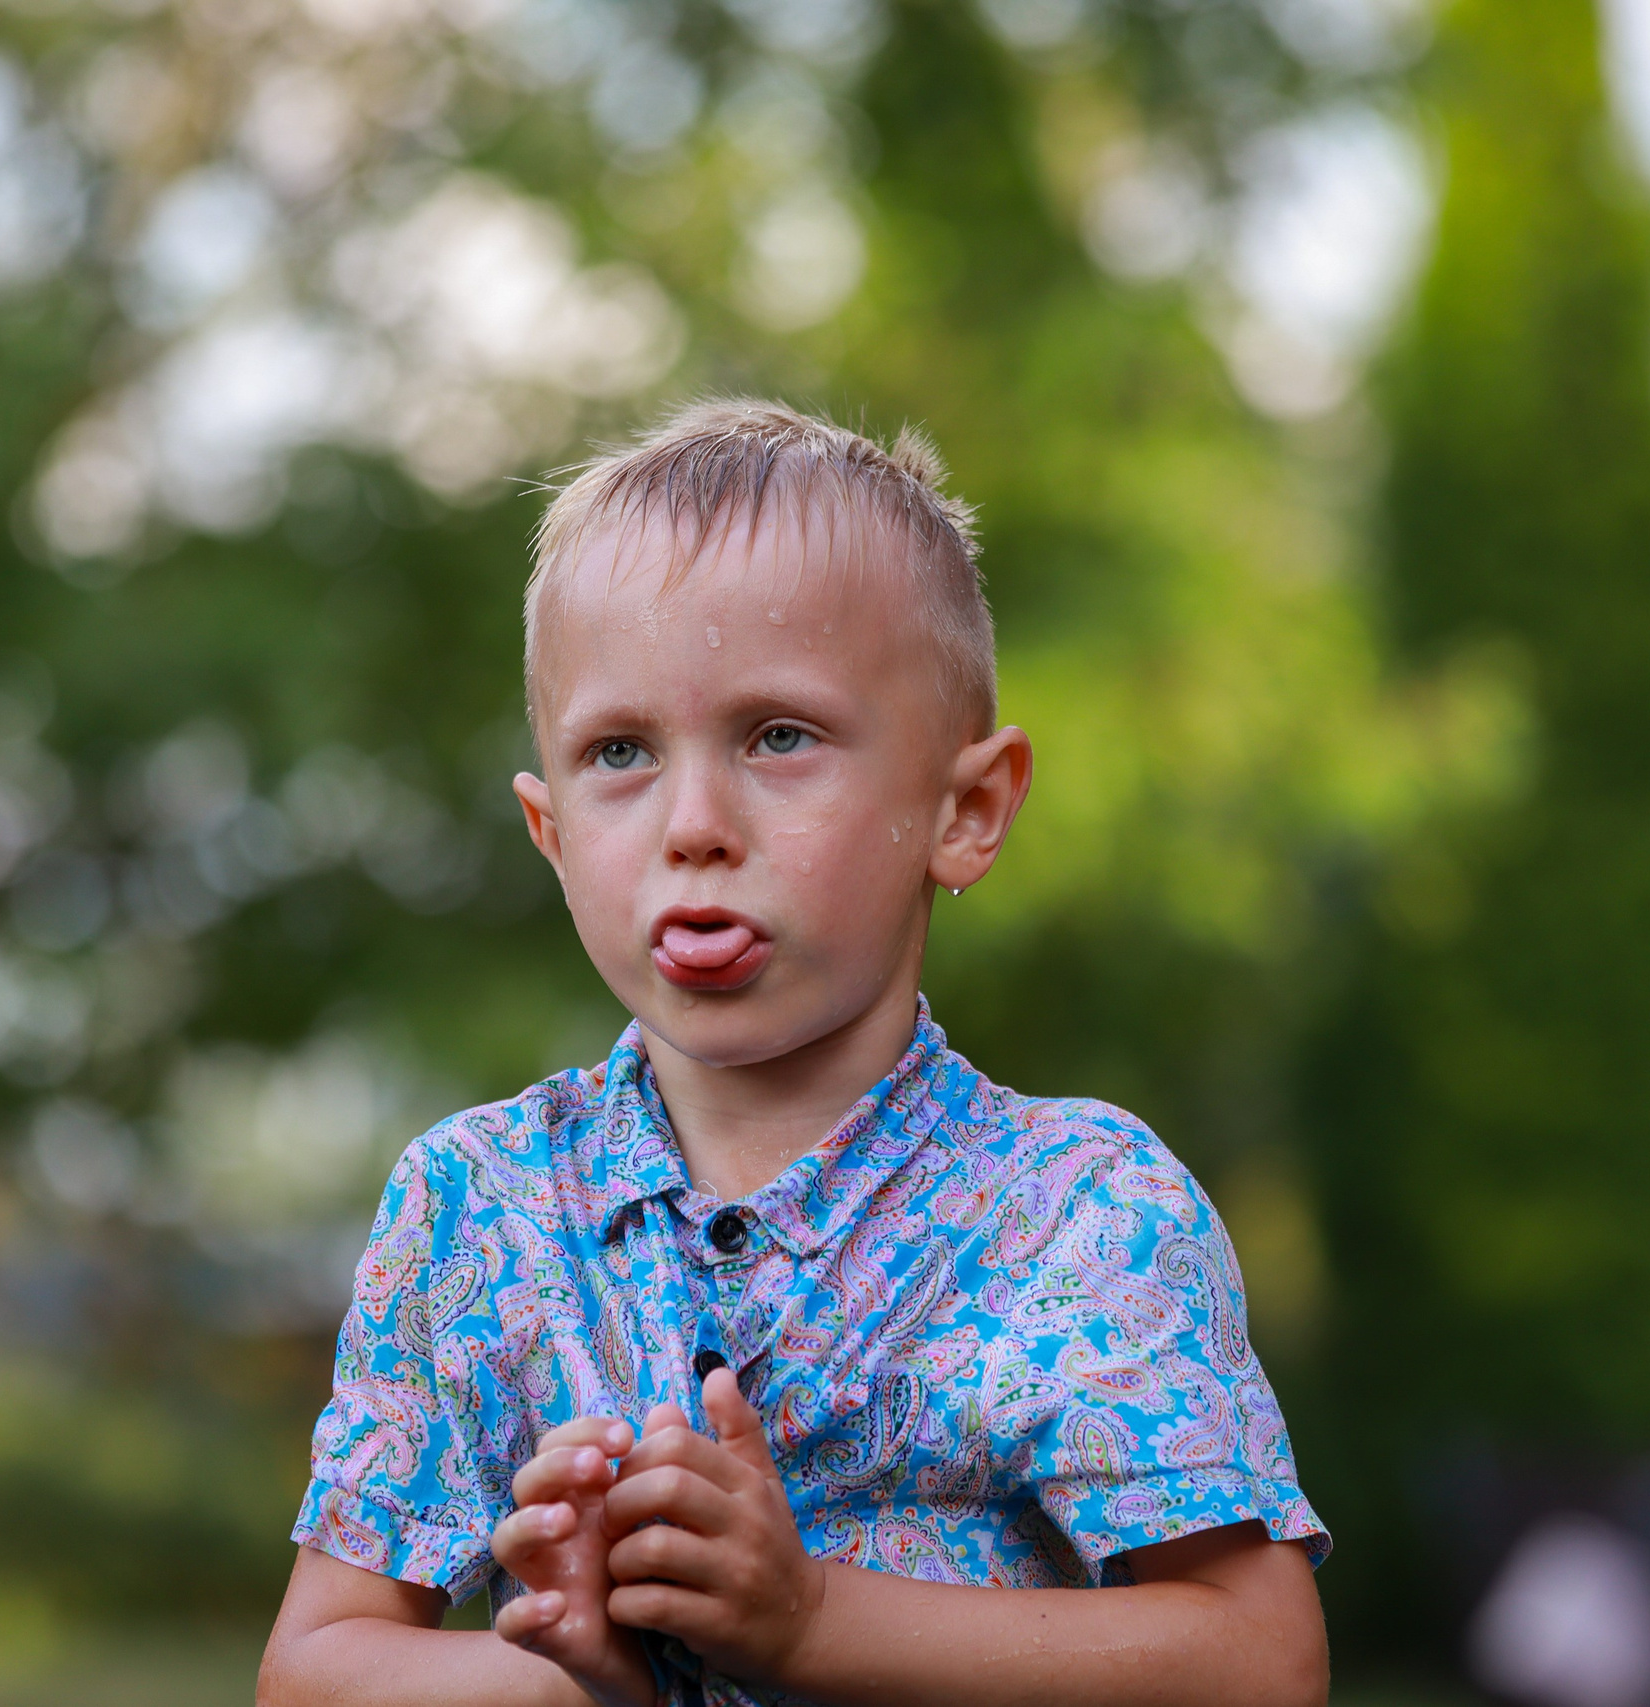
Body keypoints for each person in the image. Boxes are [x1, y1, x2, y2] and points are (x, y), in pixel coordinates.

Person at [255, 401, 1331, 1707]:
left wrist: (811, 1618)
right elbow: (313, 1670)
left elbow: (1261, 1663)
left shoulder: (1081, 1214)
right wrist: (575, 1677)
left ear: (965, 809)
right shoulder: (477, 1213)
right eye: (619, 754)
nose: (693, 825)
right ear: (550, 834)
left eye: (779, 737)